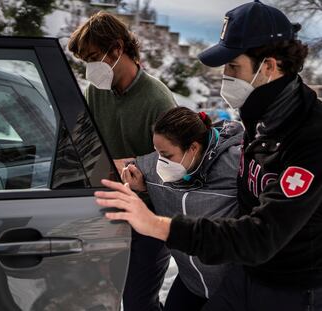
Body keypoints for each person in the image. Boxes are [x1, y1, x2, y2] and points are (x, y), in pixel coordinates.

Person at [95, 1, 322, 310]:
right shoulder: (259, 119)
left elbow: (261, 235)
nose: (225, 77)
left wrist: (159, 226)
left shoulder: (309, 136)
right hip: (245, 272)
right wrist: (151, 184)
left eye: (233, 67)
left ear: (268, 66)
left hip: (294, 288)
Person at [68, 11, 177, 311]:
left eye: (93, 57)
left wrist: (136, 170)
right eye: (85, 61)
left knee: (139, 302)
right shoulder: (96, 92)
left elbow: (176, 167)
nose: (90, 68)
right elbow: (84, 145)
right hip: (108, 213)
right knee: (107, 296)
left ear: (117, 49)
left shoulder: (157, 100)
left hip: (149, 218)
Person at [119, 106, 243, 310]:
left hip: (231, 288)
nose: (160, 161)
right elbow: (127, 166)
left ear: (193, 148)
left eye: (166, 154)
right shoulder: (157, 167)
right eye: (157, 153)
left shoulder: (235, 164)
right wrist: (139, 185)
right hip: (190, 283)